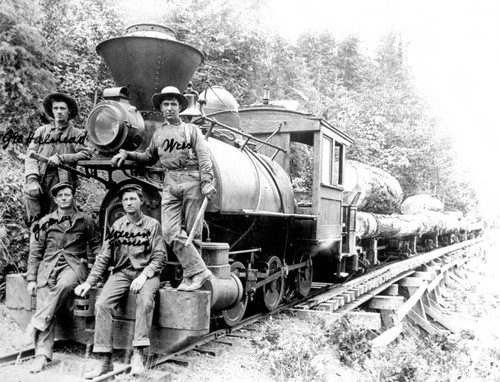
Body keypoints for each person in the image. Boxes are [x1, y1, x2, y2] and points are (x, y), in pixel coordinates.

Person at [110, 86, 216, 292]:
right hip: (170, 185)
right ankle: (201, 271)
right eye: (166, 104)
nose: (169, 108)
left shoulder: (192, 130)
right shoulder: (159, 134)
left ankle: (189, 277)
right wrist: (129, 154)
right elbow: (148, 157)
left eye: (173, 104)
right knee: (169, 232)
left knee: (194, 235)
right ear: (161, 108)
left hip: (192, 182)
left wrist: (207, 181)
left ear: (179, 108)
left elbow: (204, 157)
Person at [75, 184, 167, 378]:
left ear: (141, 201)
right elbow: (104, 257)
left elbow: (160, 257)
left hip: (146, 274)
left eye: (132, 199)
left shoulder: (152, 225)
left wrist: (144, 275)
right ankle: (104, 359)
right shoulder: (117, 226)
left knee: (145, 300)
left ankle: (139, 355)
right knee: (102, 304)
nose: (128, 203)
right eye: (125, 200)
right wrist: (89, 283)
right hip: (123, 273)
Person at [24, 182, 101, 374]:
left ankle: (37, 321)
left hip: (74, 265)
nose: (64, 198)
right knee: (45, 297)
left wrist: (99, 270)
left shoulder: (86, 220)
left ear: (73, 196)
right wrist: (32, 279)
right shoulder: (45, 222)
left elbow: (97, 246)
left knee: (64, 286)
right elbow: (35, 253)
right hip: (48, 266)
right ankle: (42, 356)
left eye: (67, 194)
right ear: (56, 199)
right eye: (60, 196)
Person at [24, 92, 92, 225]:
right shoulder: (41, 132)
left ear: (69, 111)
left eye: (62, 108)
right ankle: (37, 243)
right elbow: (30, 155)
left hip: (62, 183)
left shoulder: (76, 134)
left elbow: (86, 153)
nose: (59, 112)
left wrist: (62, 158)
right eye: (56, 108)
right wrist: (32, 179)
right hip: (40, 180)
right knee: (35, 222)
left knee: (57, 222)